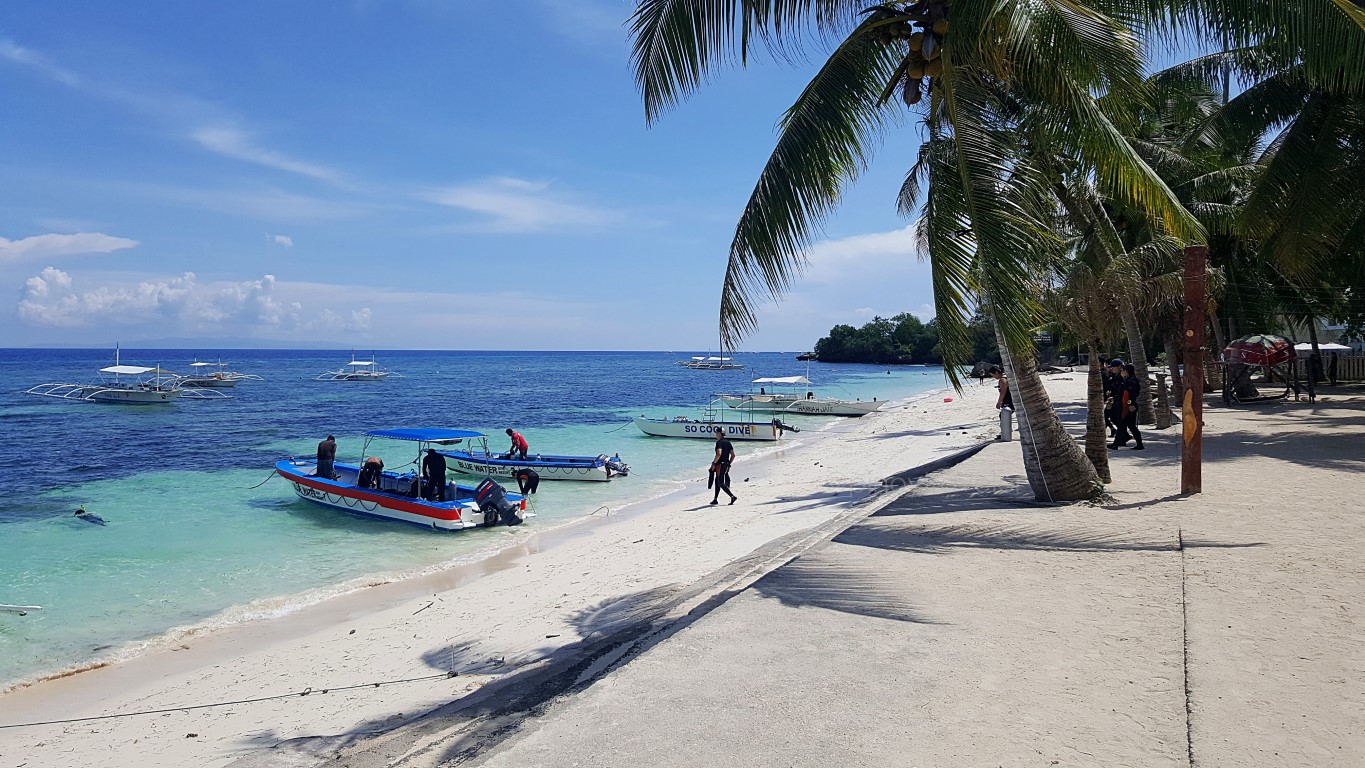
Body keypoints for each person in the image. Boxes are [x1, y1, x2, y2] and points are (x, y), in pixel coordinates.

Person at [1109, 364, 1145, 450]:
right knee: (1130, 426)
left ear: (1126, 372)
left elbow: (1131, 396)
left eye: (1123, 370)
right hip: (1126, 405)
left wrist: (1130, 404)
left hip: (1128, 406)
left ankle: (1115, 444)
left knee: (1122, 425)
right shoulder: (1127, 380)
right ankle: (1139, 444)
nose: (1121, 372)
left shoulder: (1130, 381)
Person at [710, 427, 737, 506]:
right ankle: (715, 499)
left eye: (716, 432)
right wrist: (729, 463)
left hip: (720, 465)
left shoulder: (719, 443)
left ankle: (732, 496)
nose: (715, 434)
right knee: (717, 481)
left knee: (720, 482)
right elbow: (733, 455)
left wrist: (713, 463)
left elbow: (719, 453)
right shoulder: (728, 442)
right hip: (726, 464)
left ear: (719, 433)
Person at [988, 365, 1013, 441]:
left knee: (1003, 416)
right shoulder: (1006, 377)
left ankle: (1005, 433)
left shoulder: (1002, 380)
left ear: (996, 372)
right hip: (1009, 399)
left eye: (993, 375)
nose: (993, 377)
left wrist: (999, 402)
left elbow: (1003, 391)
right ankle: (1005, 432)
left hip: (1008, 400)